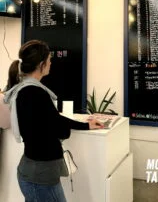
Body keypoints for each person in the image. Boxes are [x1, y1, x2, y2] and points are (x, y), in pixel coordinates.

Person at [4, 39, 103, 202]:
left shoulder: (24, 91)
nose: (51, 63)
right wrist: (68, 128)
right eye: (49, 60)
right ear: (41, 64)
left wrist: (85, 125)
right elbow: (58, 128)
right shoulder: (35, 93)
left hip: (34, 172)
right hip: (40, 177)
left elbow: (52, 120)